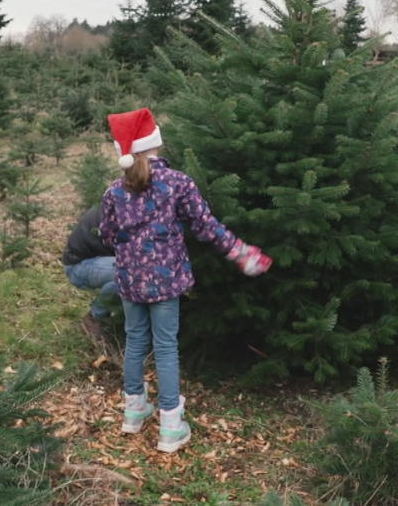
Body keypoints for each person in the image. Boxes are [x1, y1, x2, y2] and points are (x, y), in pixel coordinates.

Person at [99, 107, 271, 454]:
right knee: (165, 346)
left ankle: (134, 412)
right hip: (166, 281)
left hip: (130, 280)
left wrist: (130, 243)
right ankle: (171, 426)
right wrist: (240, 252)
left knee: (135, 340)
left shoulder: (115, 192)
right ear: (156, 145)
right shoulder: (178, 183)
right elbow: (206, 226)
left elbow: (107, 235)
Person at [62, 204, 120, 337]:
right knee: (127, 274)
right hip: (79, 265)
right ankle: (95, 317)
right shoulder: (122, 208)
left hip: (97, 260)